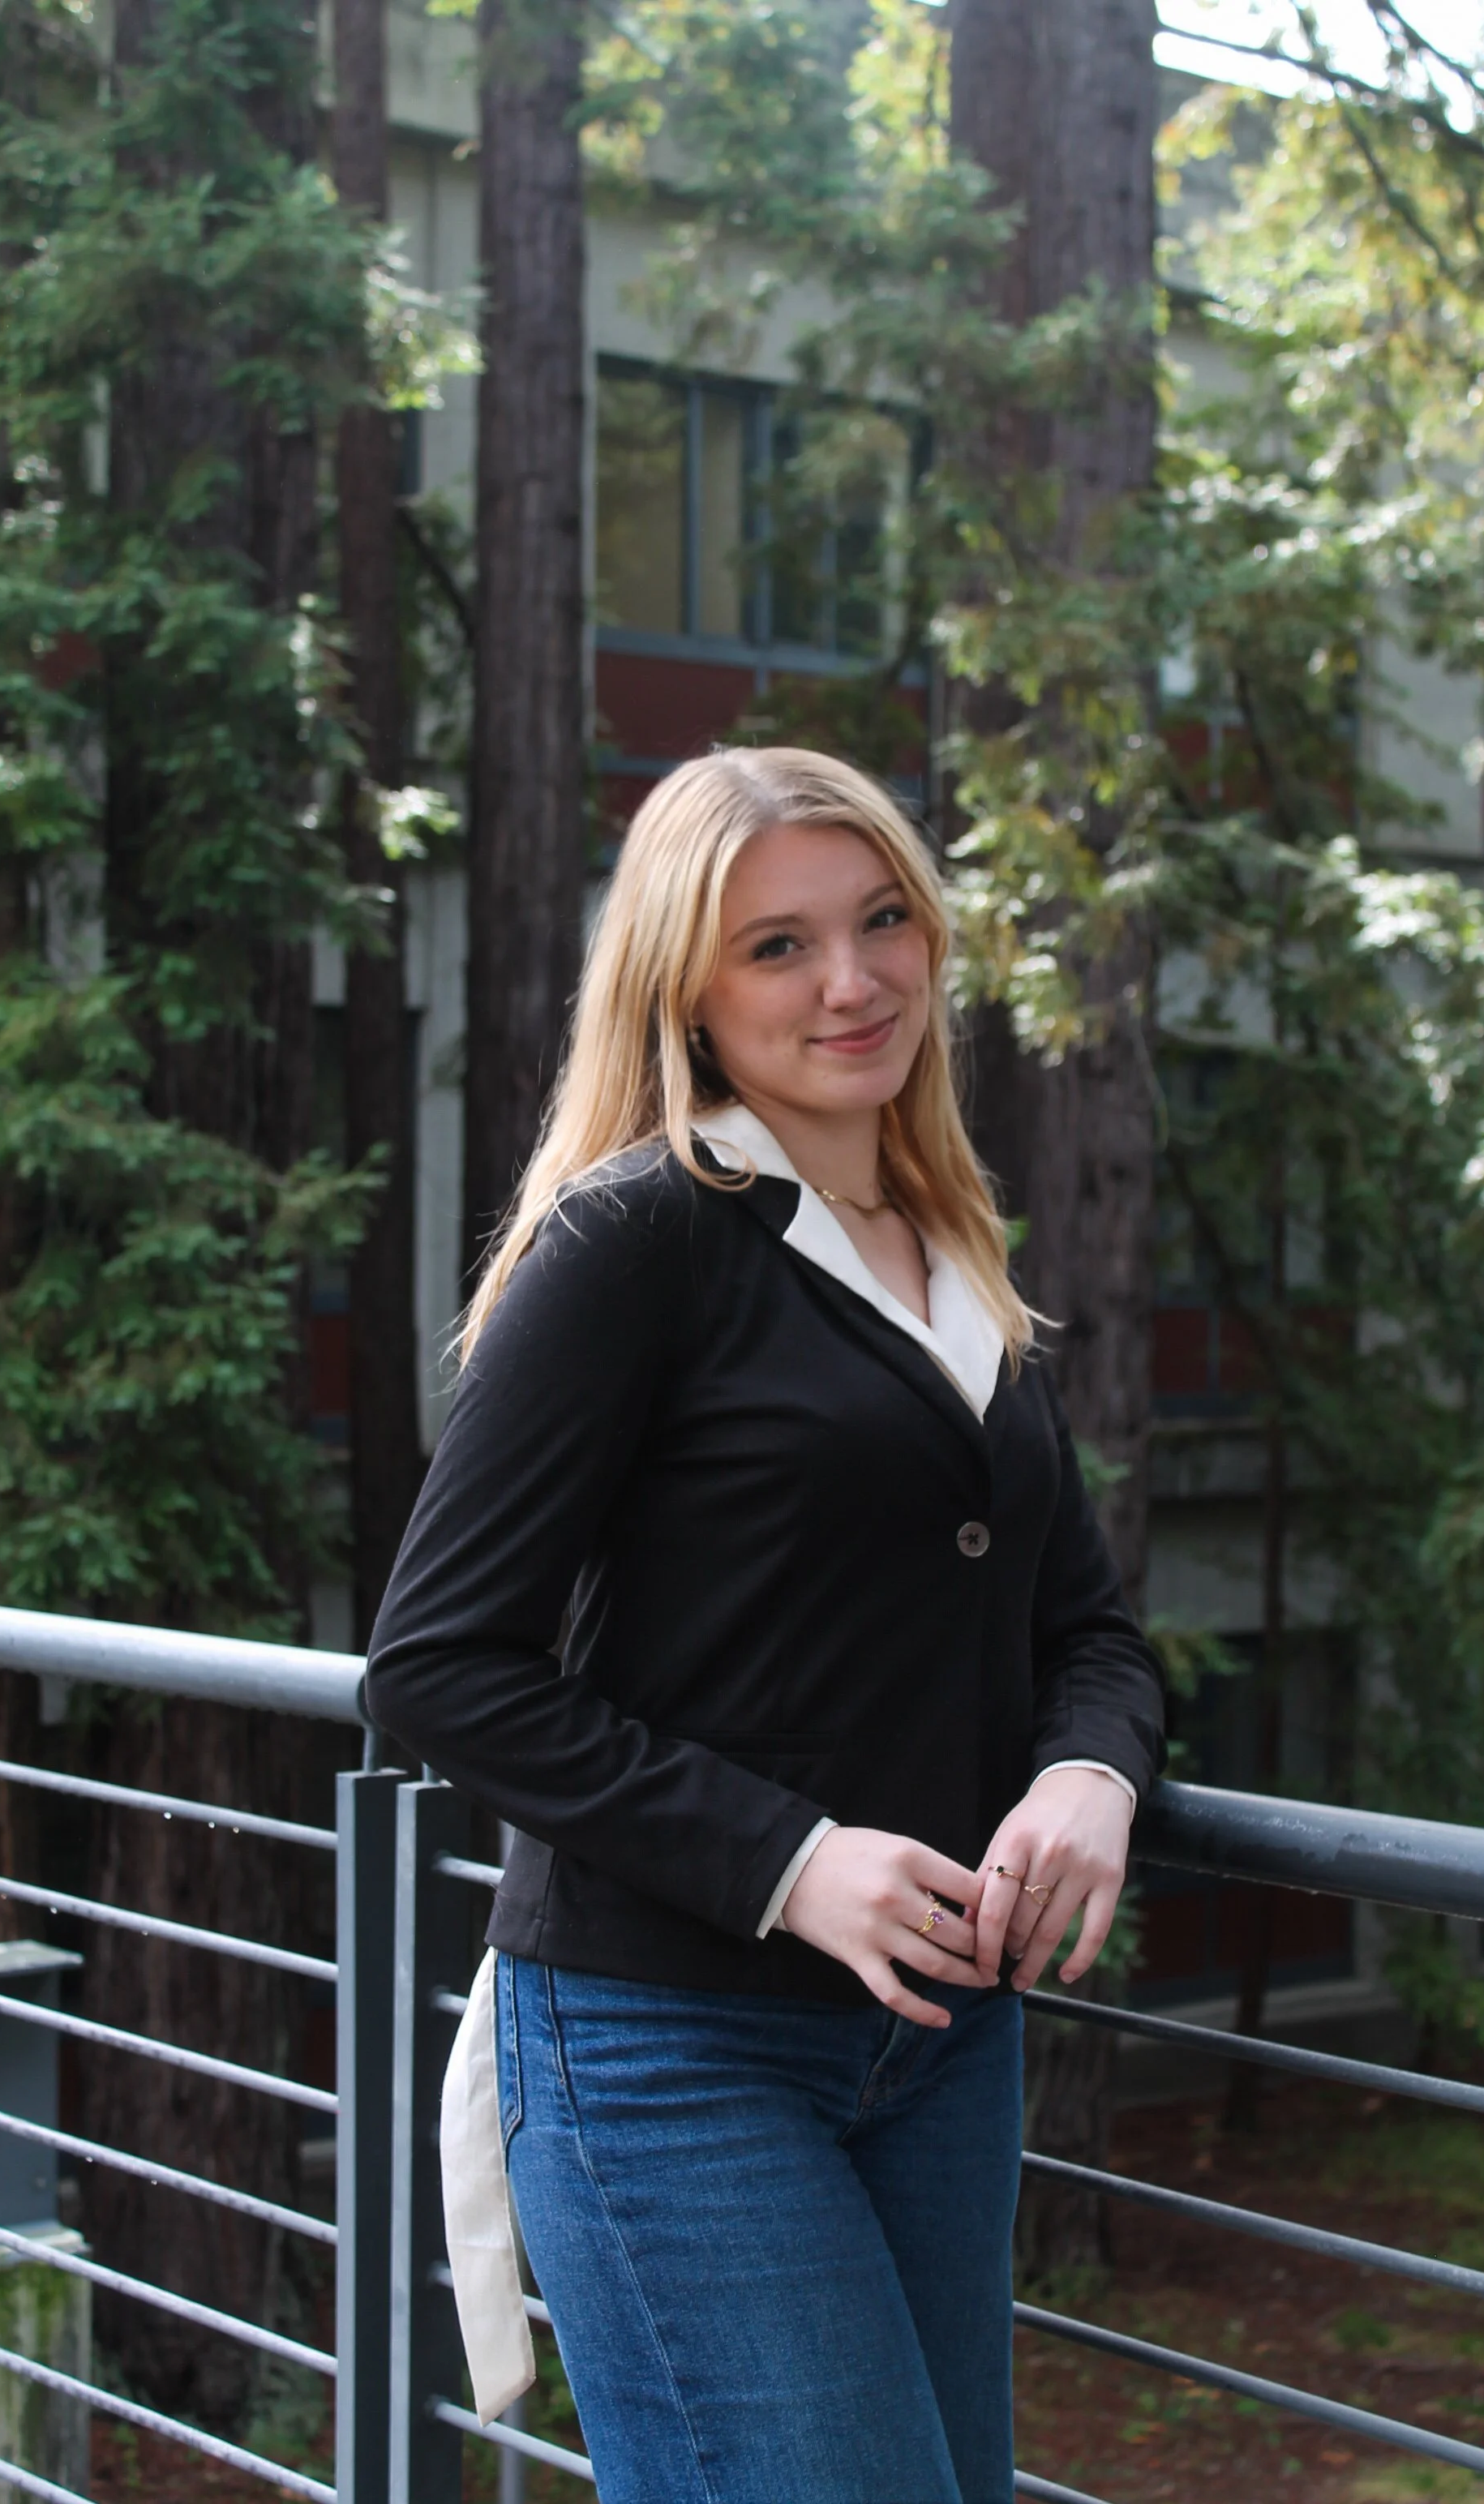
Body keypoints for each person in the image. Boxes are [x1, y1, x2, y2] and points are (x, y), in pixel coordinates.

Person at [364, 746, 1165, 2504]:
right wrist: (790, 1856)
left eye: (880, 921)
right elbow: (435, 1663)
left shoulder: (951, 1252)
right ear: (686, 995)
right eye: (777, 946)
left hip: (942, 2039)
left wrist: (1088, 1776)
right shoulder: (635, 1236)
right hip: (673, 2043)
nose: (853, 980)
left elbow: (1086, 1629)